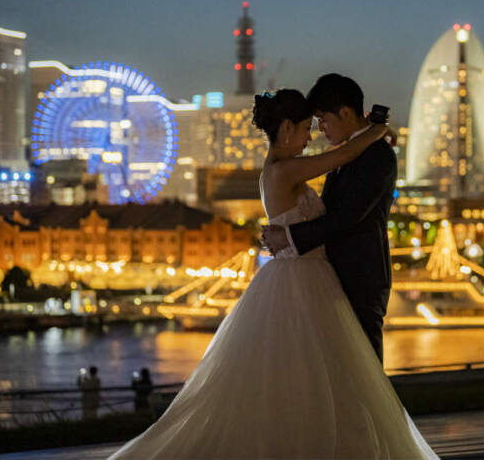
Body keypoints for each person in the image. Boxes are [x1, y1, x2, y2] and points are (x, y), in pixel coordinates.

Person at [107, 88, 437, 459]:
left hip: (310, 277)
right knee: (328, 372)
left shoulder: (281, 169)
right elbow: (343, 154)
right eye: (305, 128)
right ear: (285, 128)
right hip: (304, 281)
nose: (310, 136)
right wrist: (376, 132)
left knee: (314, 373)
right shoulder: (284, 170)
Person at [263, 73, 397, 362]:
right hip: (330, 278)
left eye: (322, 120)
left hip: (361, 277)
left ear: (346, 113)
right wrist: (379, 128)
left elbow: (348, 217)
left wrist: (288, 237)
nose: (319, 130)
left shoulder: (377, 155)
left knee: (367, 370)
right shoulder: (346, 153)